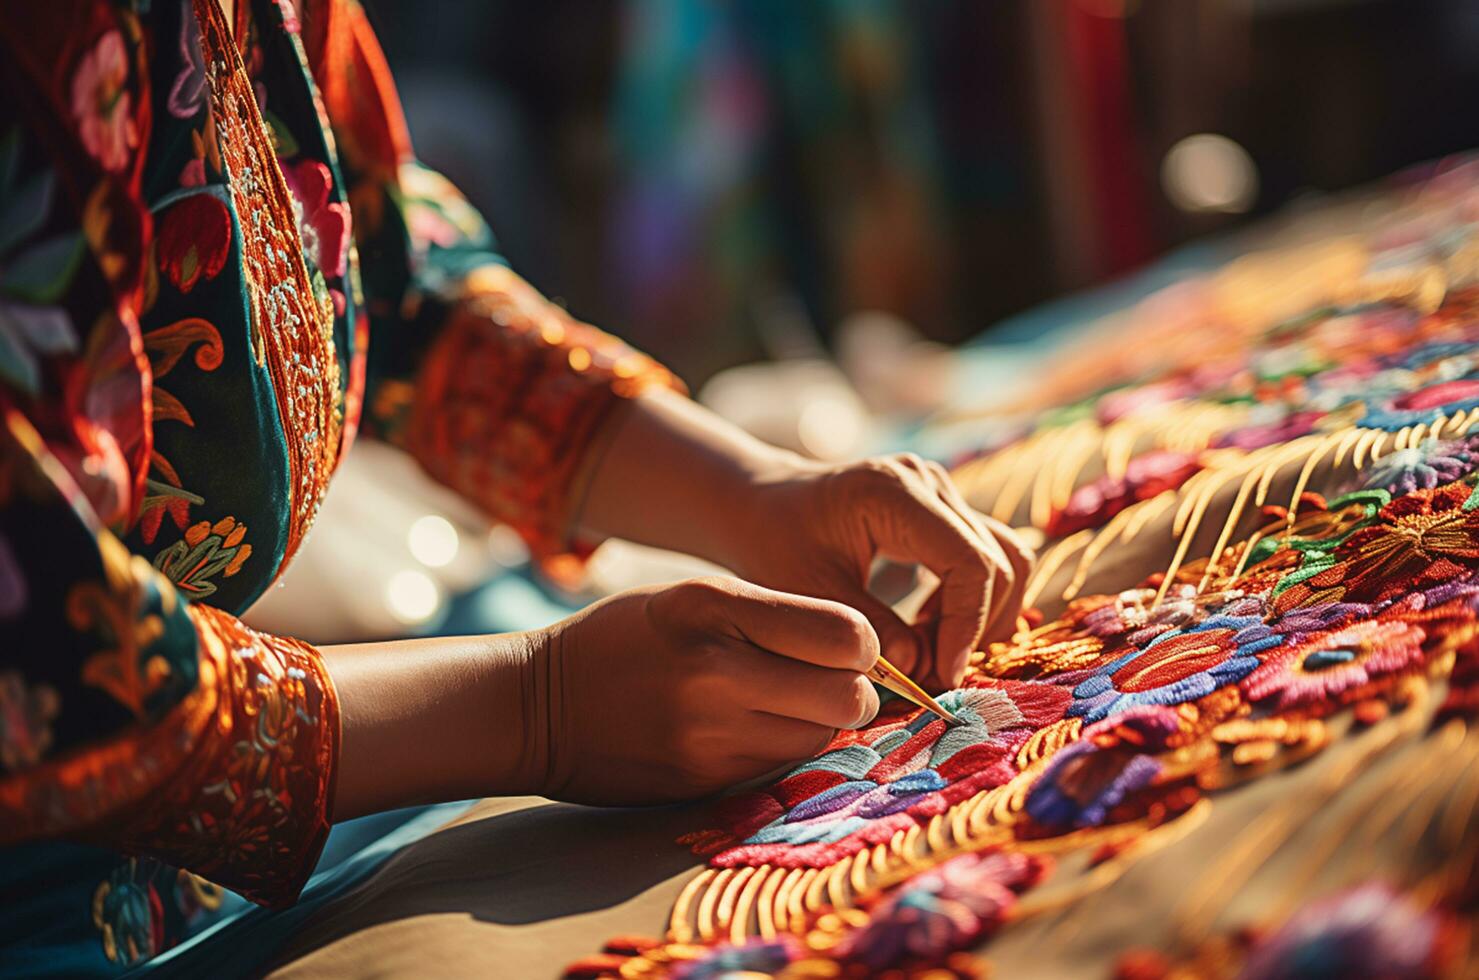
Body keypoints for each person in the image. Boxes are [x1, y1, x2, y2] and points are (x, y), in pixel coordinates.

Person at [0, 0, 1031, 970]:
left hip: (181, 886)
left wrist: (754, 494)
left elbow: (398, 285)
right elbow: (39, 647)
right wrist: (534, 707)